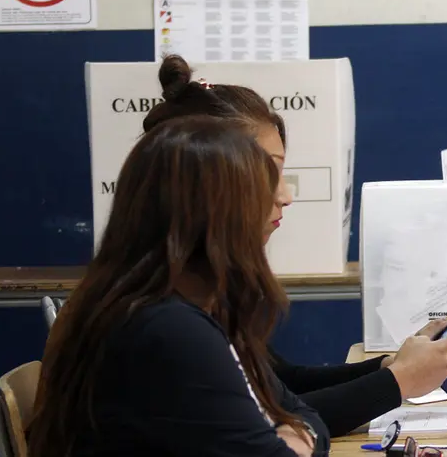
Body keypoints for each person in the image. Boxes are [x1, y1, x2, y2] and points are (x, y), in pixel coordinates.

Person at [140, 55, 447, 437]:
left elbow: (282, 386)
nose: (285, 196)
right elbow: (274, 425)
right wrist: (398, 382)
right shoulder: (169, 325)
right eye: (267, 174)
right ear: (205, 184)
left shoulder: (197, 293)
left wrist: (391, 369)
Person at [28, 115, 331, 456]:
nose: (284, 198)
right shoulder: (169, 328)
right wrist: (298, 438)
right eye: (259, 192)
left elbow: (299, 412)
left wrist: (297, 433)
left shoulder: (154, 305)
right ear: (216, 216)